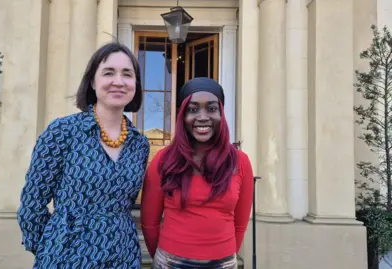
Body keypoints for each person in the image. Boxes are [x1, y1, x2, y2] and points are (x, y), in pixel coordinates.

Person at [17, 42, 150, 269]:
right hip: (67, 257)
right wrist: (50, 247)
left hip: (123, 256)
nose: (118, 81)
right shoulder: (63, 131)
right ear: (92, 81)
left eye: (127, 74)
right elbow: (32, 204)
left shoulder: (140, 144)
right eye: (108, 73)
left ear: (135, 84)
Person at [140, 77, 254, 269]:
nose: (202, 116)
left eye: (211, 108)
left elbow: (241, 224)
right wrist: (162, 258)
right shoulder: (164, 160)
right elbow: (149, 223)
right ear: (182, 116)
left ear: (221, 115)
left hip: (223, 263)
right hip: (170, 263)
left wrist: (225, 256)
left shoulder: (240, 162)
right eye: (193, 110)